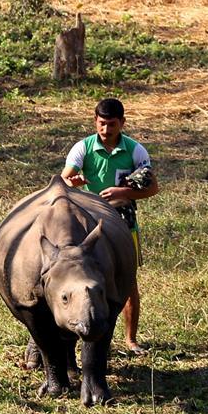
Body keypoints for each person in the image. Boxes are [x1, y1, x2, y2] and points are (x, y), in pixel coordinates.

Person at [61, 98, 159, 355]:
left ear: (122, 123)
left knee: (128, 281)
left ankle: (130, 339)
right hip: (89, 222)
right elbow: (64, 179)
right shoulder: (82, 148)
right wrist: (75, 182)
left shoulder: (135, 150)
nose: (106, 130)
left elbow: (152, 187)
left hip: (124, 220)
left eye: (112, 124)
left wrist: (123, 192)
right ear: (95, 122)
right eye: (102, 124)